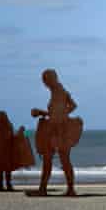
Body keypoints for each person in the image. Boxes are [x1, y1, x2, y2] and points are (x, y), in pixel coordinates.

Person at [27, 69, 80, 197]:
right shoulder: (60, 91)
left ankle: (45, 189)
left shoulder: (58, 92)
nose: (44, 83)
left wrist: (41, 112)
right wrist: (63, 115)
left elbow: (57, 113)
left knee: (52, 160)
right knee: (61, 160)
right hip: (59, 129)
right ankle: (67, 189)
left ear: (51, 79)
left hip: (57, 131)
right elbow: (73, 106)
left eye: (45, 80)